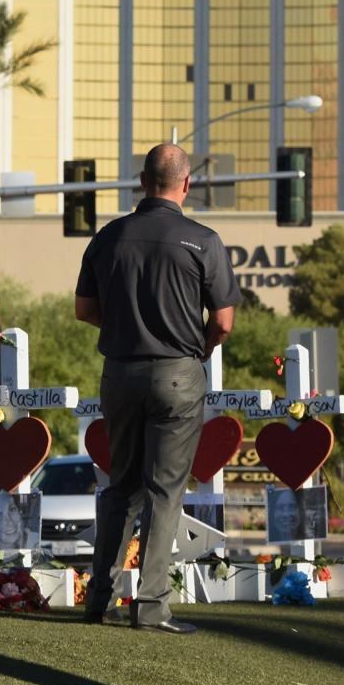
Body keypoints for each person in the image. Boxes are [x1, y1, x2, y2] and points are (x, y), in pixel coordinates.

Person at [74, 142, 237, 634]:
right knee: (164, 491)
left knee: (119, 486)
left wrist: (123, 329)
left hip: (120, 373)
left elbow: (84, 310)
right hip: (178, 373)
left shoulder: (109, 237)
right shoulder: (203, 240)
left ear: (142, 182)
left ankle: (97, 600)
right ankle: (150, 607)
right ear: (186, 185)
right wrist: (199, 349)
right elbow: (225, 323)